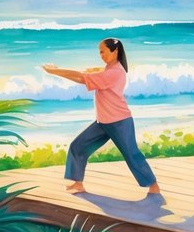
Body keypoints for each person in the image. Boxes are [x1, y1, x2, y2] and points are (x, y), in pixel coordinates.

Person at [43, 38, 160, 195]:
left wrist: (55, 72)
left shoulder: (114, 72)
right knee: (77, 146)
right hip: (103, 122)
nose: (101, 55)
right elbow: (90, 71)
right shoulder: (109, 68)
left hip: (119, 122)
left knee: (132, 154)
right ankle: (78, 184)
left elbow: (81, 78)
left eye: (103, 51)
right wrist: (73, 69)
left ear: (115, 51)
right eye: (99, 52)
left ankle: (153, 186)